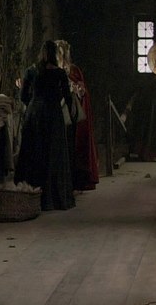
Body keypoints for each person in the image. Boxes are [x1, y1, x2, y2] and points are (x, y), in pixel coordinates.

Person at [15, 40, 76, 210]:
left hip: (34, 114)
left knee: (33, 151)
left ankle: (31, 195)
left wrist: (34, 104)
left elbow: (23, 96)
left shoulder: (32, 71)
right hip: (53, 115)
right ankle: (53, 199)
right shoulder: (59, 73)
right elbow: (68, 97)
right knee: (53, 154)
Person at [55, 40, 99, 191]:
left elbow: (82, 92)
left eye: (59, 52)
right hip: (56, 112)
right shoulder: (52, 69)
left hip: (70, 114)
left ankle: (73, 180)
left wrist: (77, 90)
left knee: (71, 146)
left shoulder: (73, 70)